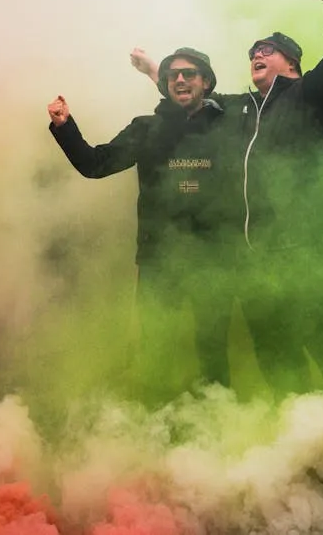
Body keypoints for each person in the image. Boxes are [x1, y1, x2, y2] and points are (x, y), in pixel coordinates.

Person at [131, 0, 323, 513]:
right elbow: (192, 94)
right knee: (280, 365)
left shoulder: (312, 94)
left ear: (291, 64)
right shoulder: (242, 112)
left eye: (267, 52)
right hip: (267, 265)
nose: (257, 57)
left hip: (319, 253)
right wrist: (157, 70)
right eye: (252, 53)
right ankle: (309, 457)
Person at [47, 48, 239, 404]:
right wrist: (64, 125)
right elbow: (94, 164)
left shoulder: (226, 123)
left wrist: (155, 70)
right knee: (156, 348)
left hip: (216, 261)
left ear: (207, 82)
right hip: (159, 261)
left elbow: (219, 110)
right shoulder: (146, 128)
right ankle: (156, 428)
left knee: (213, 350)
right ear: (165, 86)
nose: (180, 79)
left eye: (189, 74)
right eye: (173, 76)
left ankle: (219, 429)